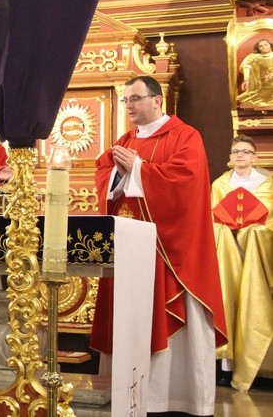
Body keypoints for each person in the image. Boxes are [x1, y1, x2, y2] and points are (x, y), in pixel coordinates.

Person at [90, 75, 227, 416]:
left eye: (135, 99)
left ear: (157, 100)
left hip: (169, 253)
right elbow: (104, 173)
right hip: (128, 253)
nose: (130, 106)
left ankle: (175, 399)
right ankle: (125, 395)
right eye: (125, 101)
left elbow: (187, 183)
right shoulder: (124, 139)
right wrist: (119, 174)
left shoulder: (185, 137)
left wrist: (138, 168)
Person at [211, 134, 273, 391]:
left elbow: (270, 221)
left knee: (250, 299)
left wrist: (253, 230)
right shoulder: (220, 185)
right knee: (228, 302)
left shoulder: (268, 185)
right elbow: (211, 218)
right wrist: (225, 230)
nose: (240, 155)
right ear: (230, 158)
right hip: (227, 253)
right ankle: (226, 367)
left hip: (255, 254)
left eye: (245, 151)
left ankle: (257, 368)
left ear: (255, 157)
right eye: (236, 151)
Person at [236, 38, 273, 107]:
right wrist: (246, 79)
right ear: (258, 48)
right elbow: (246, 65)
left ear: (270, 45)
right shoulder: (253, 57)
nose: (263, 47)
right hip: (258, 83)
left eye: (266, 45)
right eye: (260, 46)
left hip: (271, 82)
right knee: (251, 96)